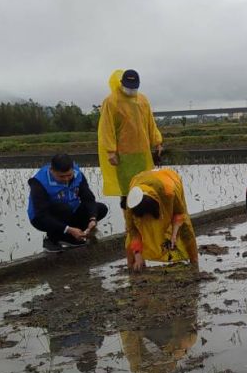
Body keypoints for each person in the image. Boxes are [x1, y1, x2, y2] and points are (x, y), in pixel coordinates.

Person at [97, 68, 163, 208]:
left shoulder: (142, 100)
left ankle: (144, 221)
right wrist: (110, 151)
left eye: (134, 87)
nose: (131, 90)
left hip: (143, 153)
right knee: (128, 193)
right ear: (122, 83)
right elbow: (106, 128)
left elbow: (150, 123)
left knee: (145, 189)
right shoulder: (111, 101)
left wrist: (157, 142)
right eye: (128, 86)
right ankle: (129, 222)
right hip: (124, 156)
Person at [27, 153, 109, 252]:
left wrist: (93, 219)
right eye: (61, 177)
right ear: (52, 171)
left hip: (70, 211)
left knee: (100, 209)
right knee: (64, 209)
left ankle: (69, 238)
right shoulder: (39, 182)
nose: (66, 179)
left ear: (72, 168)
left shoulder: (77, 174)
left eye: (69, 175)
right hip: (42, 217)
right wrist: (69, 229)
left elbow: (88, 199)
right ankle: (52, 239)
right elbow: (41, 215)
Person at [123, 168, 199, 271]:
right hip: (140, 179)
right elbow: (132, 230)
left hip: (167, 181)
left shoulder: (169, 192)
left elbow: (179, 213)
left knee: (185, 228)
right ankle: (133, 265)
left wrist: (174, 234)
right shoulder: (131, 202)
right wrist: (137, 254)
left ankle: (194, 261)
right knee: (132, 235)